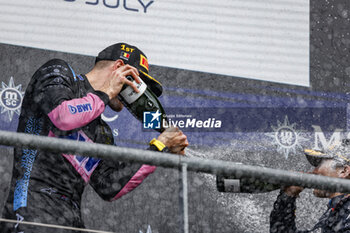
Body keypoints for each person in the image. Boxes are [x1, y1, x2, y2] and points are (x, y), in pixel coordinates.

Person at [0, 42, 189, 232]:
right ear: (119, 69)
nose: (135, 98)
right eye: (136, 87)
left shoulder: (101, 132)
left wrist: (160, 146)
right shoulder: (60, 72)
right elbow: (63, 116)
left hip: (70, 221)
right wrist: (107, 92)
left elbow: (110, 187)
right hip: (31, 213)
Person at [270, 141, 350, 233]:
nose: (314, 171)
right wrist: (288, 195)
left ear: (344, 171)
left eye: (319, 164)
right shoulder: (337, 210)